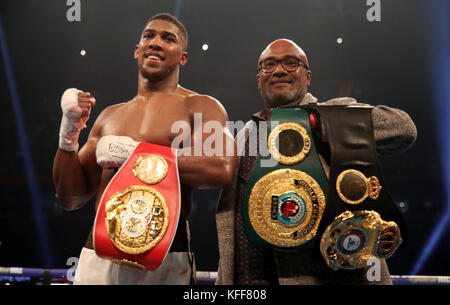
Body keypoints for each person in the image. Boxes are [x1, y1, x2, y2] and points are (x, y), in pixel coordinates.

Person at [53, 13, 236, 285]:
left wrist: (134, 153)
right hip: (97, 251)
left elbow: (220, 168)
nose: (156, 42)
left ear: (182, 57)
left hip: (163, 254)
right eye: (149, 36)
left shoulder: (200, 106)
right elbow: (69, 198)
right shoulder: (108, 117)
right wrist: (69, 133)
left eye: (168, 38)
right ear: (137, 51)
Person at [215, 38, 417, 285]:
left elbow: (404, 129)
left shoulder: (334, 111)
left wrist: (325, 124)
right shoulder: (245, 133)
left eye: (291, 63)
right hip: (250, 279)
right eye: (269, 65)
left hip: (326, 277)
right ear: (259, 79)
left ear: (307, 76)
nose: (279, 70)